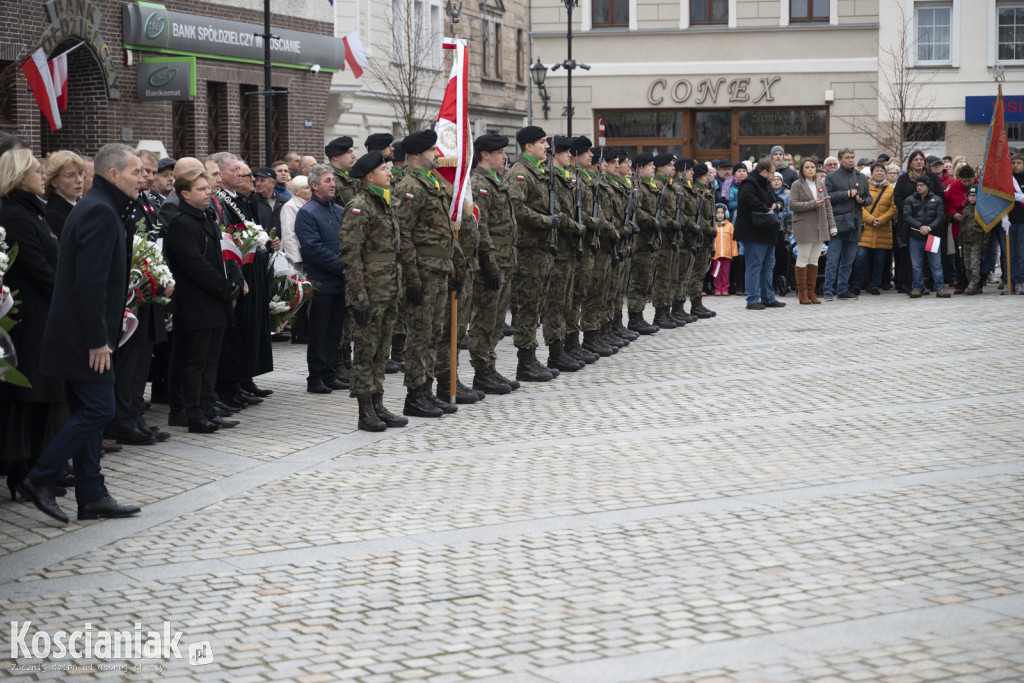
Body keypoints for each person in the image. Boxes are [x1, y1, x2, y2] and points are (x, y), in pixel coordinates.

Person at [18, 143, 144, 524]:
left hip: (79, 334)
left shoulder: (99, 207)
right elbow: (89, 283)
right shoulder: (102, 212)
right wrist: (97, 339)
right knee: (99, 409)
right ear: (113, 175)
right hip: (84, 338)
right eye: (136, 171)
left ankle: (91, 495)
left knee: (87, 410)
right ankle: (39, 478)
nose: (143, 178)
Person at [0, 150, 68, 500]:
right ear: (18, 175)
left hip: (46, 317)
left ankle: (41, 467)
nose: (43, 175)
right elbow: (37, 268)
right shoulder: (15, 214)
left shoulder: (33, 211)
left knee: (45, 395)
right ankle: (22, 472)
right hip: (30, 321)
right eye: (37, 171)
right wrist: (71, 296)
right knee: (29, 396)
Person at [164, 168, 244, 433]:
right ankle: (193, 414)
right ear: (185, 194)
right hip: (196, 302)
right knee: (195, 361)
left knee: (211, 359)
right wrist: (224, 288)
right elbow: (195, 265)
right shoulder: (181, 223)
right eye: (201, 189)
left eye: (207, 188)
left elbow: (223, 252)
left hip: (215, 300)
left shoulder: (207, 217)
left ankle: (209, 408)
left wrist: (233, 279)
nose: (208, 192)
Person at [337, 151, 409, 431]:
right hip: (369, 291)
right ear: (369, 176)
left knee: (382, 350)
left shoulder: (385, 203)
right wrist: (358, 297)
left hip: (388, 289)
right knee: (366, 351)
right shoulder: (359, 206)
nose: (390, 173)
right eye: (383, 170)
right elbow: (350, 255)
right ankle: (365, 409)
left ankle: (378, 403)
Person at [393, 129, 462, 416]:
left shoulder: (430, 184)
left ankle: (428, 391)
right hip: (422, 273)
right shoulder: (410, 187)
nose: (438, 154)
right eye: (433, 150)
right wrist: (412, 278)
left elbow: (445, 232)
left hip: (438, 271)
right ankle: (414, 396)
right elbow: (403, 236)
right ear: (416, 155)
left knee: (434, 334)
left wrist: (454, 266)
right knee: (420, 335)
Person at [505, 126, 559, 382]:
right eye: (542, 142)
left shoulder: (538, 171)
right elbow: (515, 208)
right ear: (528, 147)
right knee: (527, 309)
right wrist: (546, 221)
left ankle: (532, 358)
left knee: (536, 307)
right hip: (528, 252)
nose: (547, 146)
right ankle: (524, 363)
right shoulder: (520, 173)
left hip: (542, 250)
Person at [467, 133, 520, 394]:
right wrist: (489, 263)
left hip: (505, 258)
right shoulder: (479, 184)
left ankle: (489, 365)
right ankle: (481, 370)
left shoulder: (496, 182)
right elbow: (481, 227)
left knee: (498, 318)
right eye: (499, 152)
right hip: (491, 261)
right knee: (485, 318)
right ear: (485, 155)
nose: (504, 156)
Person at [295, 164, 349, 394]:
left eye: (333, 180)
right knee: (319, 332)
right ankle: (315, 377)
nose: (332, 184)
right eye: (327, 180)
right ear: (314, 186)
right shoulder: (306, 213)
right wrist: (342, 267)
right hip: (322, 282)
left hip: (340, 282)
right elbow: (313, 249)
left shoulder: (338, 210)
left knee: (334, 331)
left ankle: (329, 373)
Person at [734, 158, 785, 310]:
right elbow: (747, 199)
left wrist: (779, 204)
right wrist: (767, 208)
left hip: (768, 232)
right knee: (754, 266)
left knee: (768, 265)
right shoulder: (749, 183)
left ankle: (768, 297)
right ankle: (752, 299)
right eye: (772, 172)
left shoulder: (766, 184)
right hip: (753, 232)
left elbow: (778, 199)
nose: (773, 176)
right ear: (764, 172)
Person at [823, 148, 871, 300]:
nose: (851, 160)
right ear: (840, 160)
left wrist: (863, 200)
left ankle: (843, 290)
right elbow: (827, 196)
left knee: (848, 261)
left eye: (852, 157)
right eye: (847, 158)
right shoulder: (831, 177)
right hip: (838, 223)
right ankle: (828, 290)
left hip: (855, 224)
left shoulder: (861, 177)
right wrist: (846, 194)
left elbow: (869, 198)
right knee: (833, 259)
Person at [892, 150, 942, 293]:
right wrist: (913, 211)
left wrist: (929, 216)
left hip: (931, 225)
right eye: (915, 159)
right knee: (911, 257)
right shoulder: (903, 179)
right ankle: (913, 285)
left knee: (932, 256)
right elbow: (898, 199)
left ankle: (931, 284)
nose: (919, 161)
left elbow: (940, 196)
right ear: (910, 163)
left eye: (921, 159)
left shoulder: (932, 177)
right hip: (910, 224)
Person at [788, 158, 833, 304]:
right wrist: (813, 204)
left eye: (812, 167)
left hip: (820, 225)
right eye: (807, 167)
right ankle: (802, 292)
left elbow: (828, 206)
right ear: (802, 170)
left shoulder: (820, 184)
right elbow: (792, 204)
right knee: (803, 258)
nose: (810, 170)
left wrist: (832, 225)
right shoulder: (797, 184)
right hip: (804, 226)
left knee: (815, 259)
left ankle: (811, 291)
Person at [852, 162, 897, 296]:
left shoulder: (890, 189)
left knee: (879, 261)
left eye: (882, 171)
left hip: (883, 230)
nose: (880, 173)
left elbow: (893, 208)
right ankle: (857, 285)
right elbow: (860, 207)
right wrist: (871, 219)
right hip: (866, 229)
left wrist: (881, 220)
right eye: (876, 171)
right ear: (871, 174)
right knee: (860, 258)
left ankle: (875, 285)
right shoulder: (864, 187)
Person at [904, 177, 949, 298]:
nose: (919, 187)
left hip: (932, 237)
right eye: (917, 185)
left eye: (922, 185)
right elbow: (907, 216)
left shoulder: (937, 199)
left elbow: (940, 217)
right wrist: (920, 227)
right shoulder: (910, 199)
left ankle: (940, 288)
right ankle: (917, 287)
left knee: (936, 264)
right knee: (916, 265)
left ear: (928, 186)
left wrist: (929, 228)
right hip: (915, 236)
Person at [42, 150, 86, 239]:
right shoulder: (53, 217)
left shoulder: (80, 207)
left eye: (81, 174)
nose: (79, 180)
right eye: (71, 175)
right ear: (54, 181)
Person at [959, 187, 990, 295]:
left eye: (975, 196)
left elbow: (987, 227)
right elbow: (962, 225)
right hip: (966, 240)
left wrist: (985, 242)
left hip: (977, 241)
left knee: (974, 264)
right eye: (970, 196)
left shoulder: (981, 210)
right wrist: (960, 240)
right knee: (967, 264)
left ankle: (975, 283)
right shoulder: (966, 209)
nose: (972, 198)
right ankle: (970, 282)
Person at [1004, 153, 1024, 294]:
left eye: (1019, 163)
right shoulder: (1006, 179)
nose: (1015, 165)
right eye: (1013, 162)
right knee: (1008, 255)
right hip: (1008, 222)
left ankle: (1020, 282)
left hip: (1022, 221)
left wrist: (1017, 196)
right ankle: (1009, 281)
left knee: (1021, 254)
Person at [711, 203, 737, 295]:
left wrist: (734, 252)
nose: (720, 215)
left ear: (725, 214)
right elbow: (711, 241)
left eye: (722, 213)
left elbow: (733, 240)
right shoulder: (713, 226)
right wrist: (711, 253)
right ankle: (717, 288)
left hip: (727, 254)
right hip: (716, 255)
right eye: (718, 213)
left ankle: (725, 288)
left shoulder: (729, 225)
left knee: (726, 272)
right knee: (717, 273)